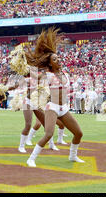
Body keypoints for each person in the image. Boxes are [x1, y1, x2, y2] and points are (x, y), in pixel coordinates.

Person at [25, 28, 84, 167]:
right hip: (53, 107)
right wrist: (27, 71)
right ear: (50, 63)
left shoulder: (65, 73)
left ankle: (73, 156)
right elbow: (35, 77)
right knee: (48, 134)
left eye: (58, 58)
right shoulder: (47, 74)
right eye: (55, 59)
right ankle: (31, 158)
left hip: (64, 108)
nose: (58, 60)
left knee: (79, 133)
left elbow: (65, 90)